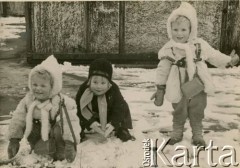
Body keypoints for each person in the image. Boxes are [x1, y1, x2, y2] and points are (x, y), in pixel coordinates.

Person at [151, 2, 239, 147]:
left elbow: (213, 55)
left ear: (191, 29)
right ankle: (177, 131)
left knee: (198, 107)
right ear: (170, 29)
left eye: (183, 29)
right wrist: (160, 88)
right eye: (176, 29)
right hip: (177, 84)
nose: (179, 34)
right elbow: (162, 69)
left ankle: (197, 133)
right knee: (179, 107)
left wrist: (229, 61)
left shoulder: (199, 45)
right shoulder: (169, 48)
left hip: (197, 83)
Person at [7, 55, 81, 162]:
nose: (38, 89)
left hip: (56, 137)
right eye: (35, 85)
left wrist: (70, 143)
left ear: (52, 86)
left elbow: (71, 123)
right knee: (31, 124)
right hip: (39, 135)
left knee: (59, 128)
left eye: (43, 86)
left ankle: (61, 150)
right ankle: (37, 148)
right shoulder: (28, 100)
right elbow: (18, 118)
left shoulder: (62, 102)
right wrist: (14, 139)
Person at [76, 58, 134, 142]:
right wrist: (91, 122)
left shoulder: (113, 89)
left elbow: (119, 108)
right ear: (90, 80)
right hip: (91, 115)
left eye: (103, 83)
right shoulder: (84, 89)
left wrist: (113, 123)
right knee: (75, 112)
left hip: (108, 114)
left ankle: (122, 128)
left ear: (108, 83)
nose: (99, 86)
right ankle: (78, 130)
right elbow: (78, 107)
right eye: (95, 82)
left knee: (123, 105)